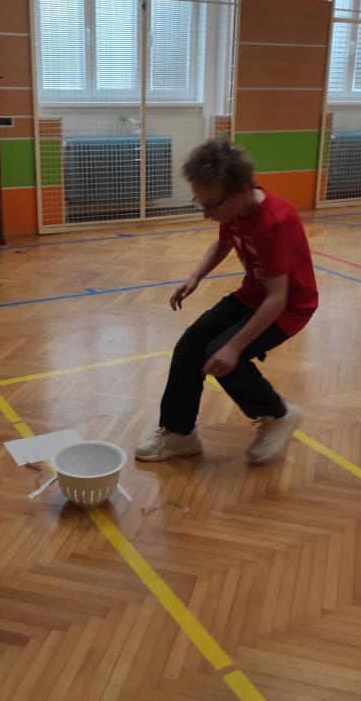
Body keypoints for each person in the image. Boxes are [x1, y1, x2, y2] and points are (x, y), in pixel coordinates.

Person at [135, 139, 318, 466]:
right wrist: (196, 276)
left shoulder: (276, 222)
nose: (207, 214)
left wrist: (233, 347)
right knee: (190, 346)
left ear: (244, 189)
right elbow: (223, 242)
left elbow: (277, 298)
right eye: (201, 204)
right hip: (252, 295)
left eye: (212, 206)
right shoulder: (231, 208)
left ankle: (277, 415)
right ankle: (179, 433)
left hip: (288, 308)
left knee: (221, 354)